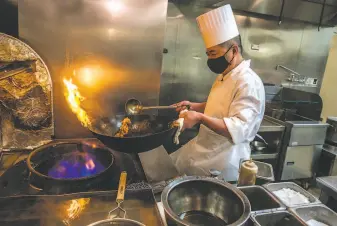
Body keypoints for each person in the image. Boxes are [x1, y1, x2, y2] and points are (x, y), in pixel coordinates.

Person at [170, 4, 265, 182]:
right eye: (208, 54)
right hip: (205, 148)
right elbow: (219, 105)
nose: (210, 60)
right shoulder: (225, 75)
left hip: (224, 160)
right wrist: (195, 106)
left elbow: (239, 128)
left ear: (234, 50)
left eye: (213, 53)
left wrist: (199, 117)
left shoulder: (248, 82)